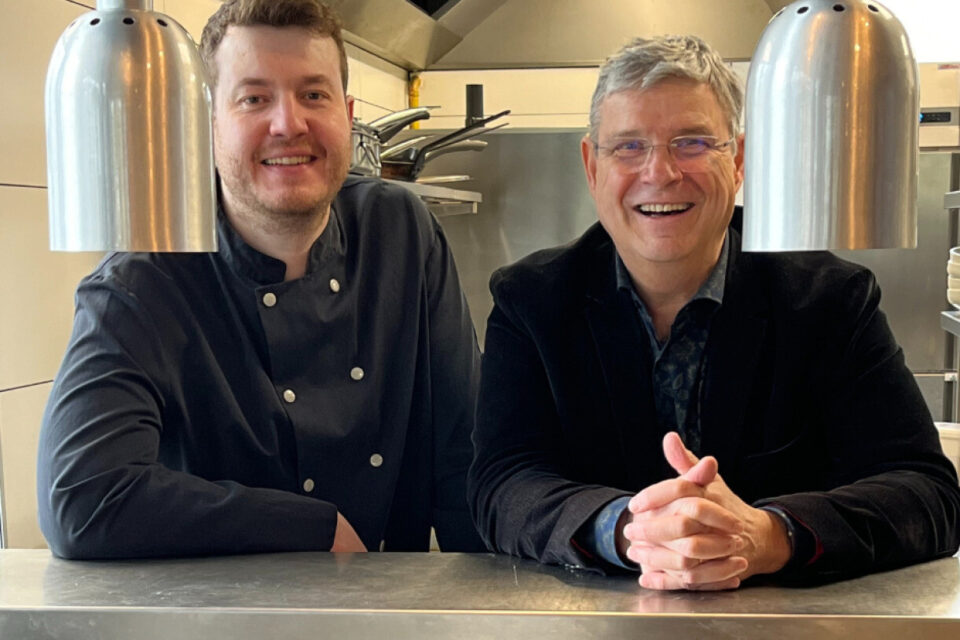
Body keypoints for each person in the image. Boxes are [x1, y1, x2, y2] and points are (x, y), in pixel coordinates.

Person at [468, 35, 960, 590]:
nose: (660, 172)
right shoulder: (531, 301)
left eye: (692, 142)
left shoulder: (829, 300)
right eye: (629, 146)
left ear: (740, 159)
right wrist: (630, 529)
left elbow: (927, 493)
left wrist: (769, 534)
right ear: (591, 165)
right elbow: (502, 485)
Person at [37, 0, 484, 558]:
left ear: (347, 115)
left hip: (388, 614)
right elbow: (82, 497)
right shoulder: (144, 283)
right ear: (206, 122)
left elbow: (466, 456)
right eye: (254, 98)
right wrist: (312, 528)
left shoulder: (400, 230)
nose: (288, 124)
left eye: (313, 95)